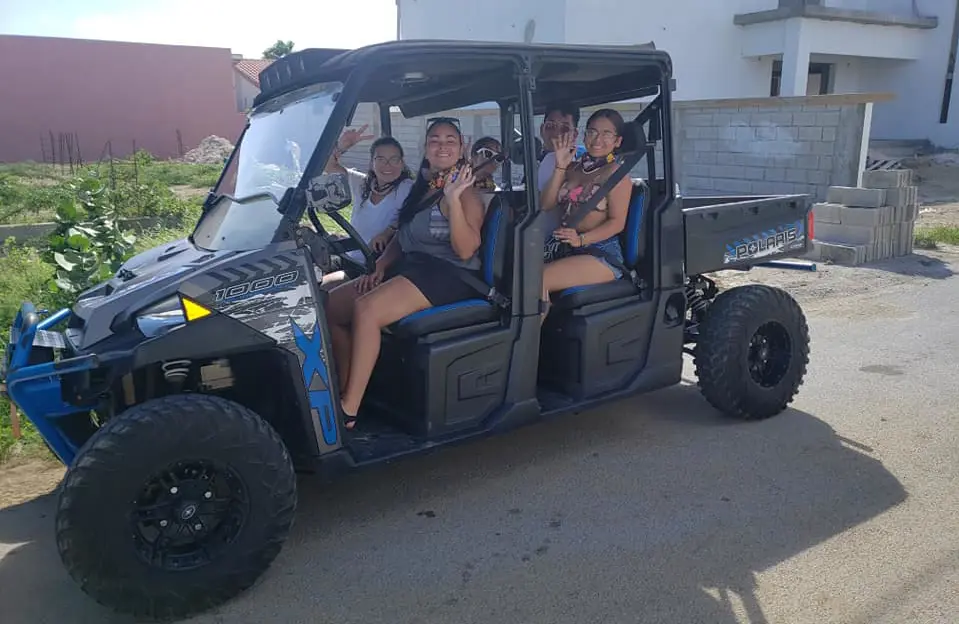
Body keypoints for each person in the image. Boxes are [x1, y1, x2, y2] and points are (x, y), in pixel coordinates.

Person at [325, 118, 487, 427]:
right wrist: (381, 266)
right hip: (414, 267)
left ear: (461, 147)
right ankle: (350, 383)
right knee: (331, 307)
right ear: (425, 148)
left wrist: (452, 200)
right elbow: (402, 235)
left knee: (366, 309)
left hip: (449, 275)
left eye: (449, 140)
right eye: (435, 140)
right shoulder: (426, 185)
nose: (442, 146)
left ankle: (350, 408)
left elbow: (466, 250)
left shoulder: (464, 192)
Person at [539, 108, 632, 317]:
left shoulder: (617, 176)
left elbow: (617, 222)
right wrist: (560, 168)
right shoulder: (573, 168)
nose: (597, 139)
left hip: (600, 252)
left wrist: (581, 239)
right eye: (592, 132)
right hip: (564, 248)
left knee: (538, 279)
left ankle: (530, 346)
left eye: (606, 134)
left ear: (617, 141)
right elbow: (545, 205)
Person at [321, 127, 414, 287]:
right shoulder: (363, 183)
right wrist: (342, 147)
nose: (388, 165)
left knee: (324, 289)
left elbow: (409, 216)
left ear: (402, 163)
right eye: (381, 159)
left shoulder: (407, 187)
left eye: (394, 159)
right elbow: (328, 166)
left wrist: (387, 233)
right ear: (371, 163)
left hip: (374, 266)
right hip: (349, 257)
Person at [536, 102, 584, 193]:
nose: (556, 134)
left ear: (574, 135)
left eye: (565, 129)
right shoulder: (536, 161)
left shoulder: (583, 162)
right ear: (542, 130)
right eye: (550, 126)